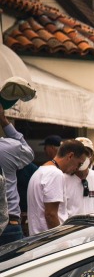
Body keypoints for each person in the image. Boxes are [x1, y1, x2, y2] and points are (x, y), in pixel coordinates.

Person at [27, 140, 88, 235]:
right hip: (50, 242)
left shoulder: (41, 170)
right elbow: (50, 215)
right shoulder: (55, 174)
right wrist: (61, 239)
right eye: (79, 164)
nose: (77, 168)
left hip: (39, 239)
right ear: (70, 156)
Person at [0, 103, 34, 245]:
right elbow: (29, 152)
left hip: (10, 221)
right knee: (15, 267)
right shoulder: (8, 147)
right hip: (9, 223)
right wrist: (3, 120)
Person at [63, 137, 94, 217]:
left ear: (92, 157)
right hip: (71, 228)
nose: (83, 157)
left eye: (87, 153)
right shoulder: (63, 179)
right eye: (79, 153)